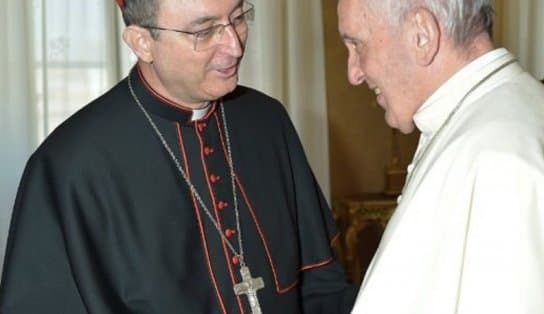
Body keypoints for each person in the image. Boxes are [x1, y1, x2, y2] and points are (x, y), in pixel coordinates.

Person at [0, 0, 357, 313]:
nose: (233, 46)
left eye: (238, 17)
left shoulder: (267, 121)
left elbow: (320, 283)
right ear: (142, 42)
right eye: (204, 31)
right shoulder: (68, 166)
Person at [337, 0, 544, 313]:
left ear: (422, 35)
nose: (353, 73)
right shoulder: (485, 119)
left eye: (357, 44)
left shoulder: (501, 162)